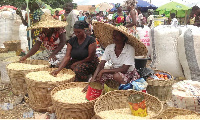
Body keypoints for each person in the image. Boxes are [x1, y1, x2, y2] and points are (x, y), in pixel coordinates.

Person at [82, 22, 147, 92]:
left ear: (123, 37)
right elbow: (101, 64)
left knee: (117, 76)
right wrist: (93, 79)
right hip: (114, 71)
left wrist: (104, 71)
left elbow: (124, 69)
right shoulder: (110, 48)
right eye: (113, 35)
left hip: (128, 73)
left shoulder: (129, 49)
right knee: (97, 78)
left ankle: (123, 91)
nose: (114, 37)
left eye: (116, 35)